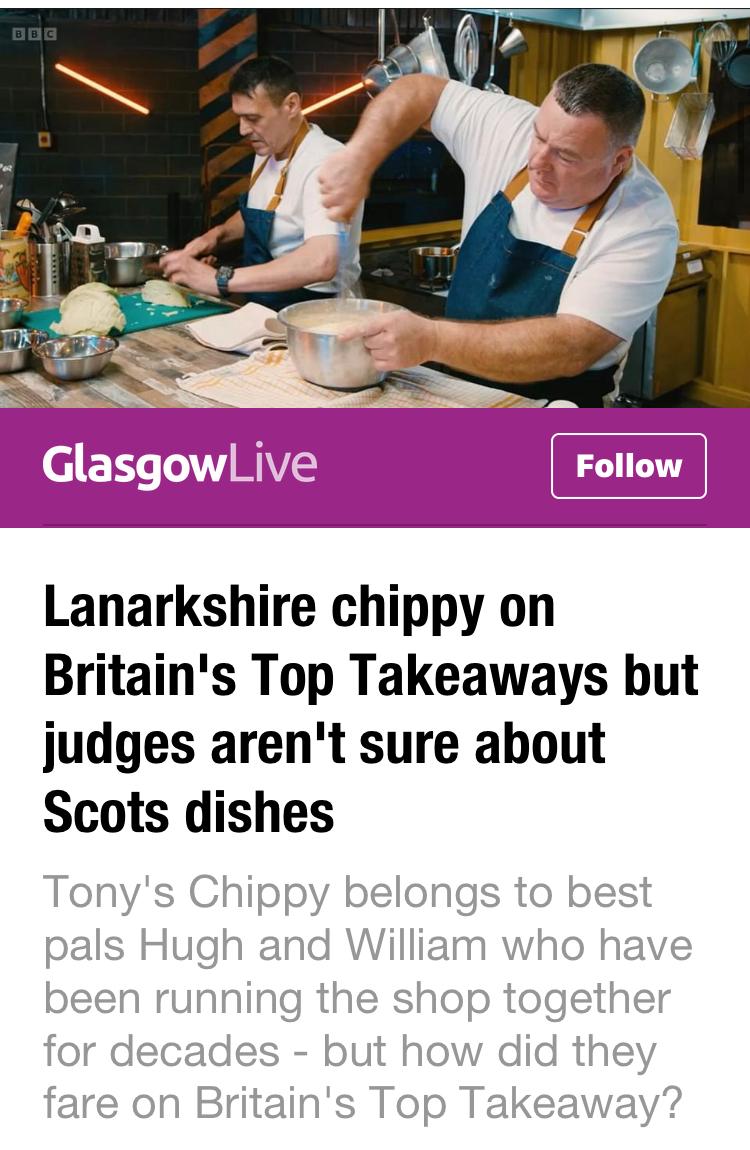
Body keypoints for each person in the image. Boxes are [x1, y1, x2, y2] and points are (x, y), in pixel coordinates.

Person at [319, 65, 680, 407]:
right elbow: (418, 91)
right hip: (458, 389)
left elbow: (573, 346)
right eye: (539, 136)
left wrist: (432, 339)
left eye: (566, 157)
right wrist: (358, 157)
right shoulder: (509, 127)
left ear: (619, 160)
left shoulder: (645, 225)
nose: (538, 161)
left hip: (556, 405)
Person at [161, 56, 363, 311]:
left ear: (291, 105)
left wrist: (219, 280)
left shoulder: (326, 161)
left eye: (253, 118)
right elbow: (267, 210)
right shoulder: (268, 148)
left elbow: (322, 261)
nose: (243, 130)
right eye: (240, 117)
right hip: (266, 299)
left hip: (316, 309)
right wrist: (216, 236)